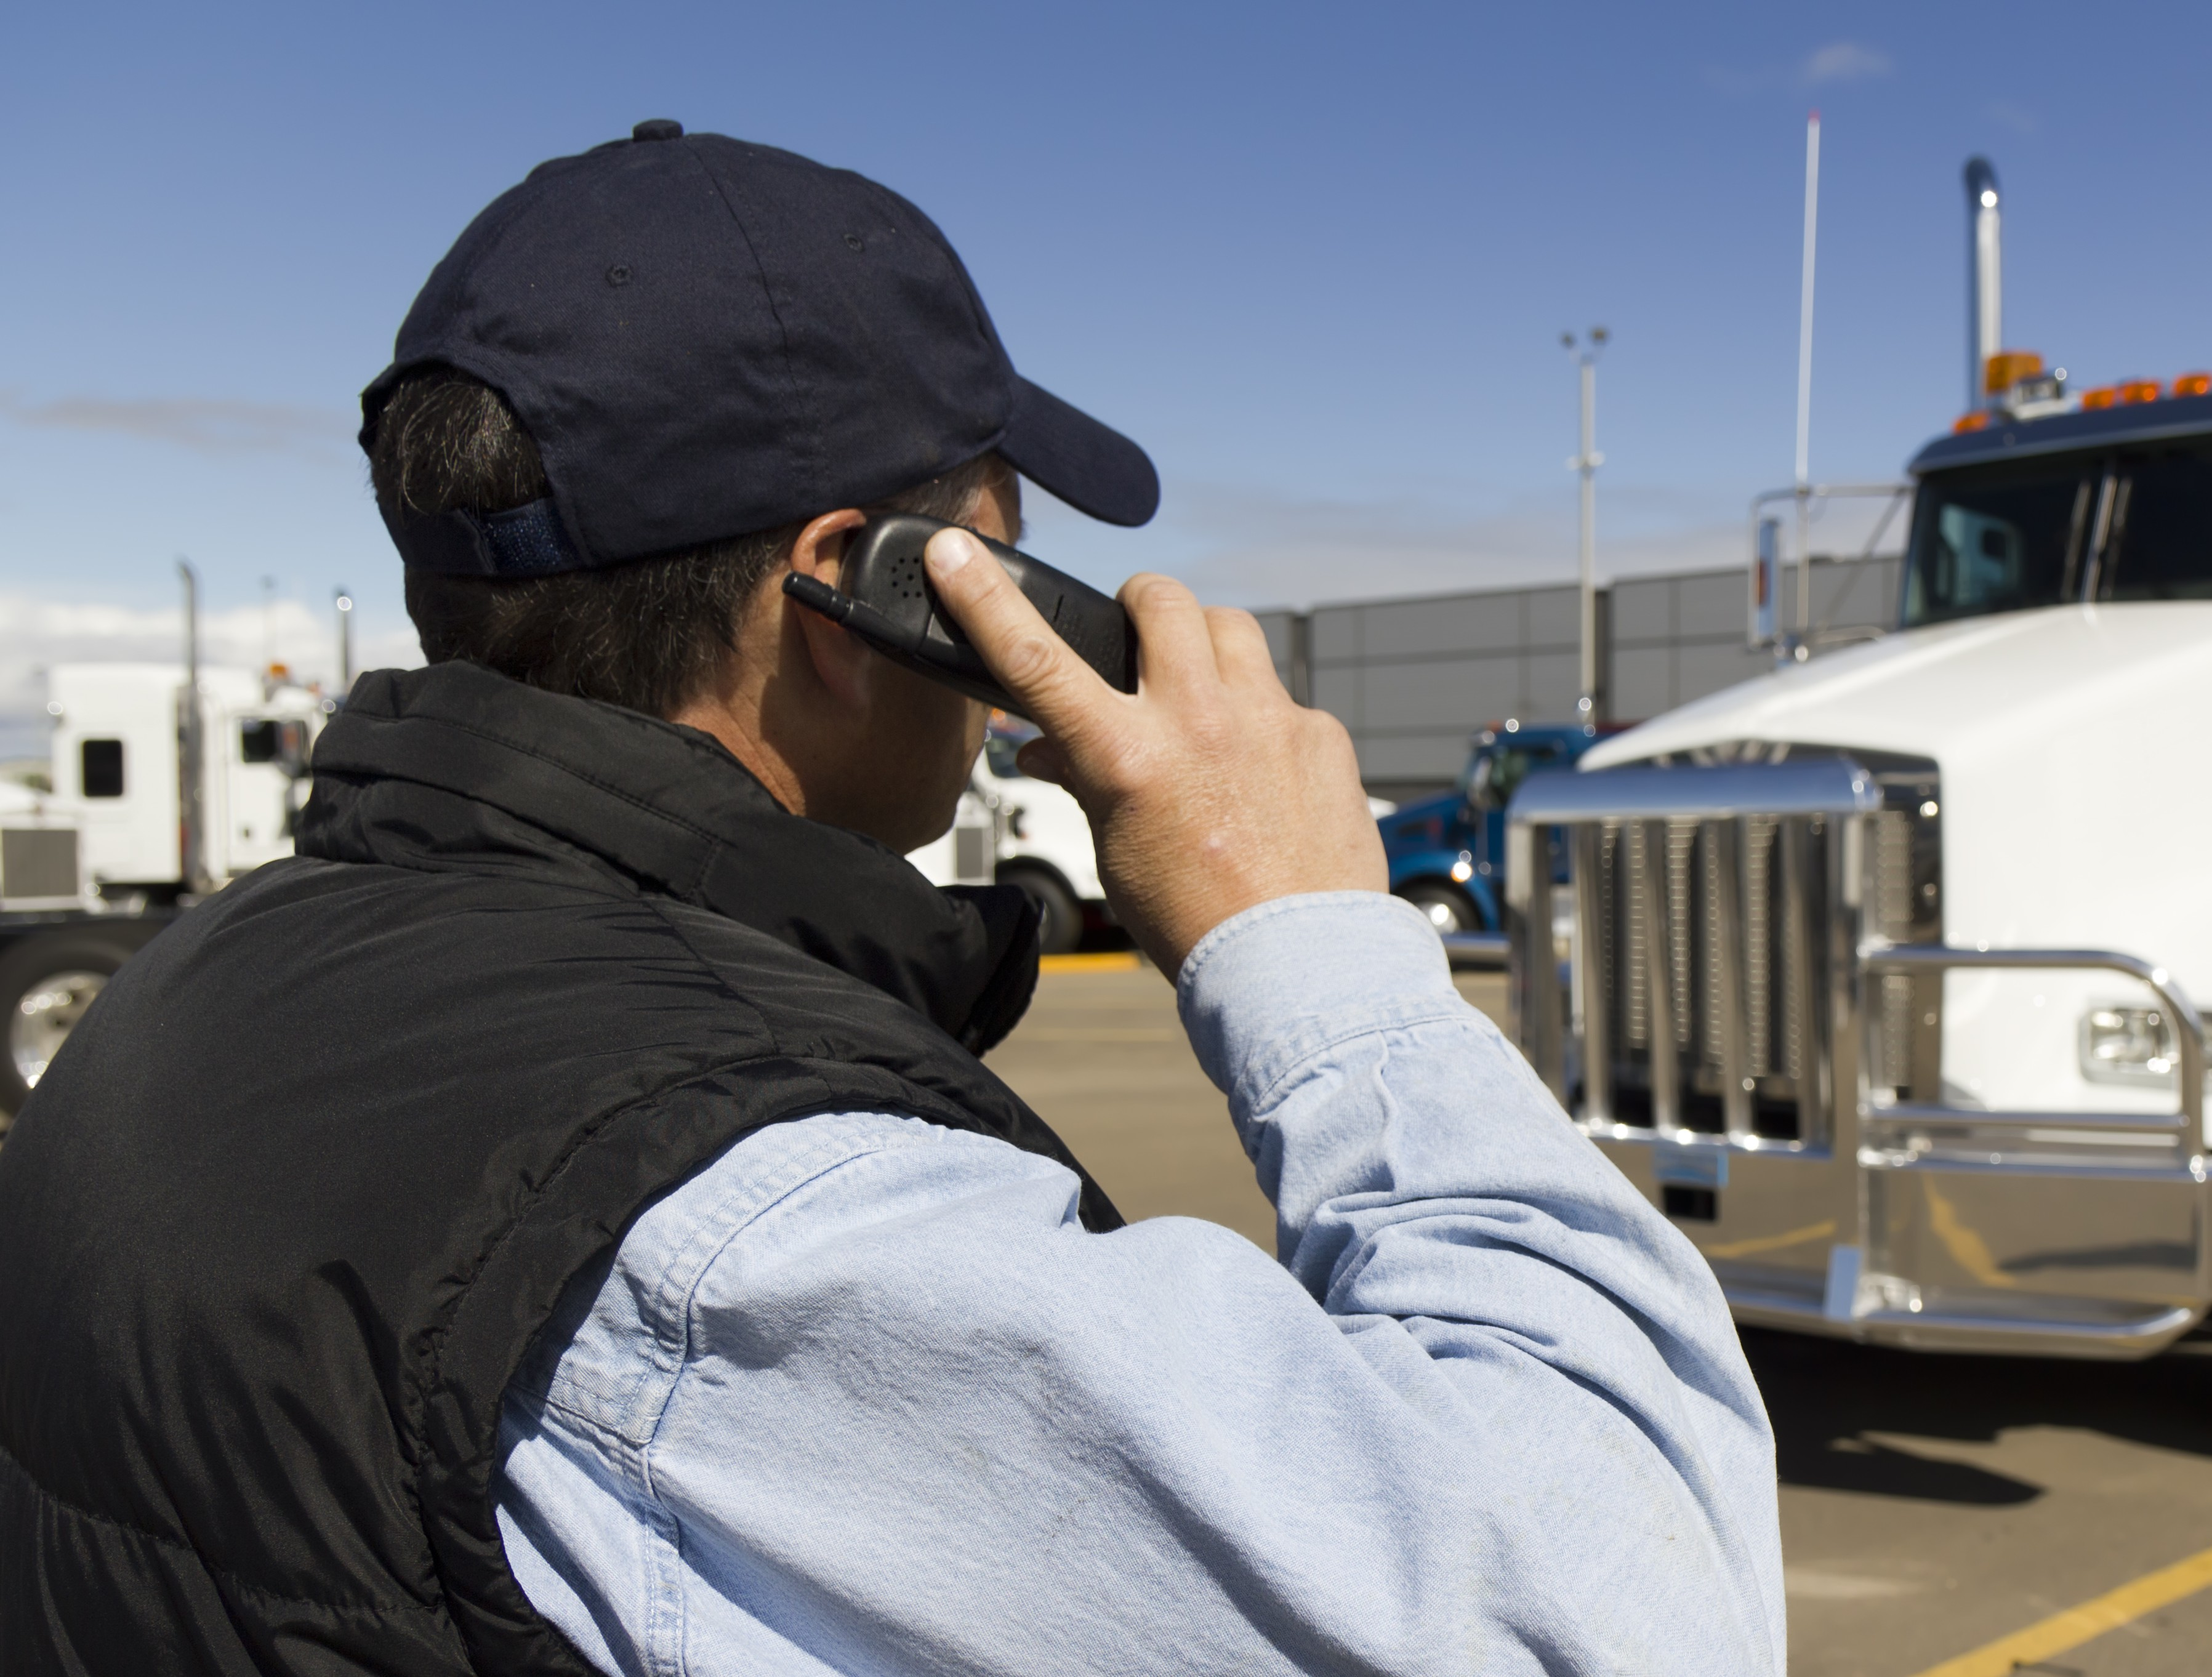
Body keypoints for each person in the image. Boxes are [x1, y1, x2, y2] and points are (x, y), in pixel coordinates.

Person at [0, 123, 1785, 1675]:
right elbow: (1615, 1611)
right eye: (1003, 545)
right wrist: (1315, 945)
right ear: (867, 597)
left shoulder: (208, 977)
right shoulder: (752, 1227)